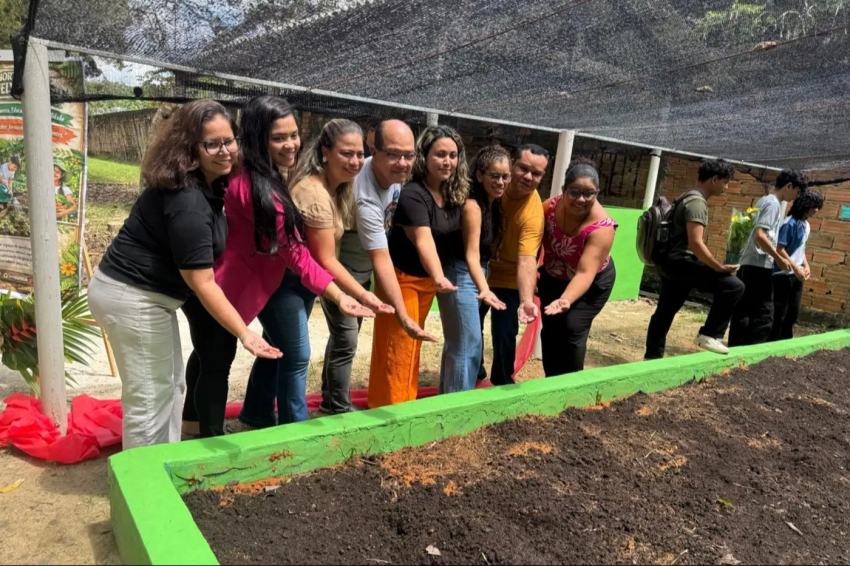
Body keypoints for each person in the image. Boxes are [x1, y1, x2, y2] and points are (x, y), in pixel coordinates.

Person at [87, 100, 280, 449]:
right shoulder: (188, 200)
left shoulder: (207, 185)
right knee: (150, 396)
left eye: (230, 140)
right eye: (212, 144)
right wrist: (244, 333)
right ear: (190, 148)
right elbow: (201, 281)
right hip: (133, 296)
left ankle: (164, 462)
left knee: (169, 385)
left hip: (145, 296)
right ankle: (144, 478)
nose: (225, 151)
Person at [177, 97, 372, 436]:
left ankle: (193, 427)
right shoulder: (259, 190)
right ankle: (212, 440)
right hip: (220, 288)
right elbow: (296, 253)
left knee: (207, 356)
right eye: (278, 137)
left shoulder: (254, 173)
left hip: (226, 283)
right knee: (217, 364)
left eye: (294, 135)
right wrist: (339, 295)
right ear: (258, 139)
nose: (291, 144)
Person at [288, 118, 394, 415]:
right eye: (347, 153)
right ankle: (333, 407)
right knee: (305, 353)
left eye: (359, 154)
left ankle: (265, 410)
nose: (355, 161)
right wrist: (360, 294)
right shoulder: (315, 193)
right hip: (295, 281)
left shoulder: (339, 188)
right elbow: (326, 258)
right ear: (325, 152)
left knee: (300, 349)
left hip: (316, 280)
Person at [369, 125, 466, 407]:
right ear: (424, 156)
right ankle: (394, 412)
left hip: (424, 284)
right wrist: (439, 275)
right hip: (401, 280)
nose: (447, 161)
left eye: (453, 155)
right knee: (398, 349)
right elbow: (423, 240)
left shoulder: (451, 194)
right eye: (440, 155)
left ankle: (395, 404)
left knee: (410, 348)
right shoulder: (413, 194)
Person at [645, 159, 745, 359]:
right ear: (714, 179)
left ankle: (652, 356)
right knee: (734, 286)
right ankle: (709, 334)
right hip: (682, 263)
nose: (726, 187)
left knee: (665, 310)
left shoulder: (686, 195)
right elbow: (696, 243)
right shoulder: (697, 202)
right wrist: (718, 267)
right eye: (725, 182)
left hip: (669, 261)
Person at [438, 145, 510, 394]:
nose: (501, 182)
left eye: (505, 176)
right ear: (479, 175)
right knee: (467, 347)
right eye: (495, 176)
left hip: (472, 274)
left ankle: (447, 403)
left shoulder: (492, 204)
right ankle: (456, 409)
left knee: (460, 344)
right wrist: (484, 289)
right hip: (461, 275)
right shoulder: (472, 206)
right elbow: (471, 255)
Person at [538, 158, 617, 376]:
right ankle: (550, 382)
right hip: (554, 274)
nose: (581, 199)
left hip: (592, 282)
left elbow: (585, 273)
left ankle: (572, 385)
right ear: (564, 189)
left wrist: (565, 299)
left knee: (572, 328)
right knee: (551, 328)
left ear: (597, 193)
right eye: (574, 192)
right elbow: (532, 243)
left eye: (589, 193)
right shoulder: (549, 208)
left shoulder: (602, 227)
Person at [479, 144, 549, 385]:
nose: (528, 177)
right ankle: (475, 370)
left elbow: (527, 259)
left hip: (509, 278)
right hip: (479, 270)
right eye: (523, 168)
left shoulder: (533, 215)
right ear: (511, 164)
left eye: (536, 173)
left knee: (504, 333)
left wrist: (526, 300)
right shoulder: (495, 186)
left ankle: (502, 382)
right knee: (470, 326)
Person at [729, 170, 805, 347]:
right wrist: (778, 258)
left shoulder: (765, 201)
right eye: (797, 191)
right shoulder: (773, 204)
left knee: (745, 310)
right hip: (759, 266)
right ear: (789, 186)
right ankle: (754, 351)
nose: (797, 196)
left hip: (749, 263)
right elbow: (760, 236)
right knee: (764, 315)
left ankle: (737, 346)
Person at [769, 190, 824, 341]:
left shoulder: (806, 225)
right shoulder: (789, 224)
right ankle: (772, 342)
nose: (816, 210)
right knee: (779, 312)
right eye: (814, 206)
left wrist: (806, 266)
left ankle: (786, 342)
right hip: (782, 275)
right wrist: (795, 268)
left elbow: (801, 249)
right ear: (805, 205)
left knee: (793, 312)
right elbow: (779, 249)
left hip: (796, 274)